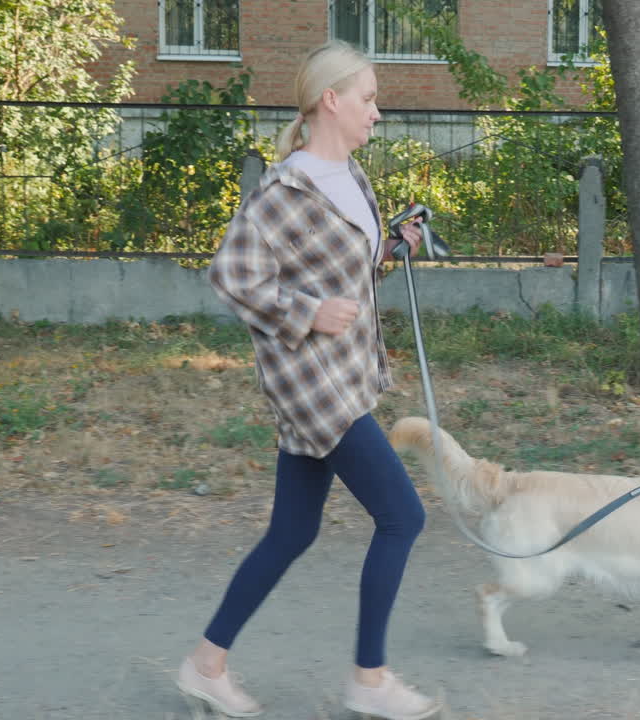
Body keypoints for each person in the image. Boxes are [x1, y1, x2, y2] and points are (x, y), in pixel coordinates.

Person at [176, 40, 441, 720]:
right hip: (311, 384)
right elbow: (231, 276)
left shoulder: (351, 177)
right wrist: (307, 312)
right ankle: (370, 680)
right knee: (402, 516)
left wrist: (389, 249)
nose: (376, 112)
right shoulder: (284, 188)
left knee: (293, 532)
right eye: (368, 98)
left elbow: (344, 274)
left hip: (345, 375)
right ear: (331, 100)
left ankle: (207, 664)